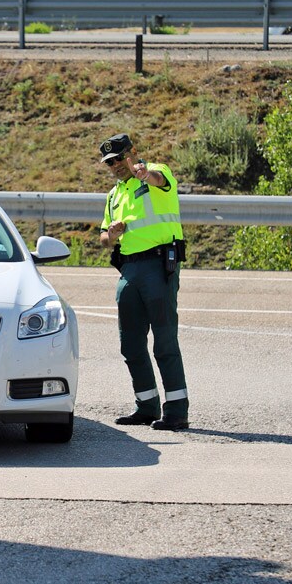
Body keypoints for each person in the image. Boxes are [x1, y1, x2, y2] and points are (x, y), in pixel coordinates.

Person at [98, 133, 189, 431]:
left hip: (158, 265)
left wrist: (146, 174)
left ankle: (176, 411)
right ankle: (146, 406)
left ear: (133, 152)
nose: (116, 166)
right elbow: (102, 239)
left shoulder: (156, 172)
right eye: (110, 162)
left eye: (119, 158)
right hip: (129, 270)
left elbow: (161, 180)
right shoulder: (114, 196)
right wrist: (110, 234)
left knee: (164, 342)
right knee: (131, 345)